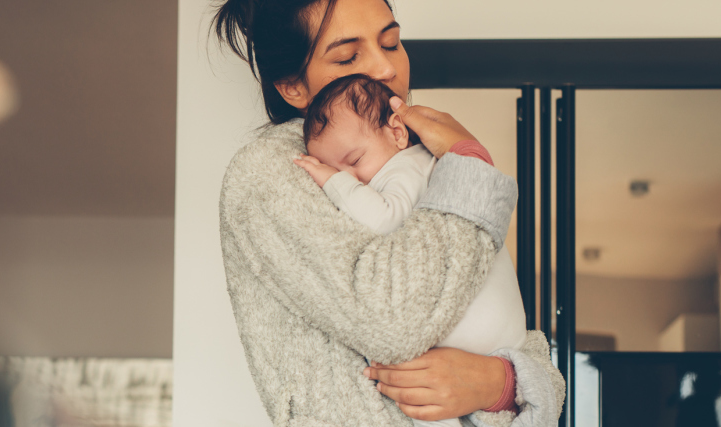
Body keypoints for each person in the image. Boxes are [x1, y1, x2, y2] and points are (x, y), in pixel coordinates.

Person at [211, 0, 565, 426]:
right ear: (292, 87)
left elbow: (513, 333)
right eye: (348, 56)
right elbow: (394, 323)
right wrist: (468, 164)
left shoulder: (416, 153)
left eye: (392, 43)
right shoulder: (272, 172)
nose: (385, 69)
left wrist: (501, 383)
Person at [293, 74, 530, 427]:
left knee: (410, 388)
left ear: (397, 132)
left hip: (480, 334)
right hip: (494, 342)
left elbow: (387, 219)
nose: (354, 178)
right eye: (338, 168)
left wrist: (333, 181)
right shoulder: (392, 164)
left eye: (355, 160)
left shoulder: (410, 165)